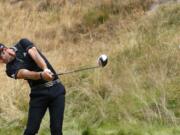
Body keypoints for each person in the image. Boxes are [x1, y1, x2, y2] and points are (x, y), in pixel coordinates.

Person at [0, 38, 66, 135]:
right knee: (31, 131)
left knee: (56, 129)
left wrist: (45, 69)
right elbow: (25, 73)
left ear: (4, 50)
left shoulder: (22, 43)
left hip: (56, 89)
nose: (1, 61)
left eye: (0, 58)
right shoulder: (9, 70)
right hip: (38, 94)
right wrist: (41, 75)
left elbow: (34, 54)